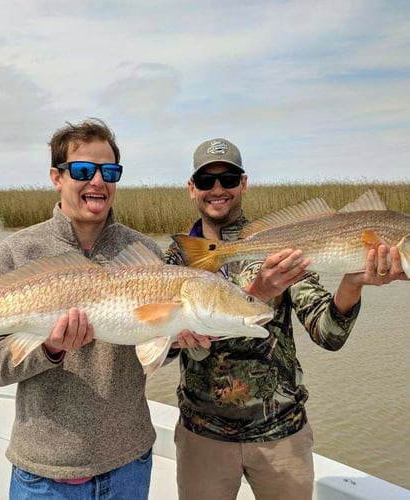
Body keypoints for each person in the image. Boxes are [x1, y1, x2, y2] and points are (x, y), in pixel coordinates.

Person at [165, 138, 408, 500]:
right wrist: (257, 292)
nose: (218, 189)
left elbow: (328, 334)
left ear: (243, 184)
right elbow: (159, 347)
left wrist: (353, 281)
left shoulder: (283, 245)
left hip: (281, 433)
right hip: (203, 435)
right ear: (192, 189)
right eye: (206, 181)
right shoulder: (178, 256)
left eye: (229, 179)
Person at [0, 118, 163, 499]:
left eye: (109, 171)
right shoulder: (16, 253)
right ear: (56, 177)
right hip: (43, 474)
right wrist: (49, 350)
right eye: (82, 169)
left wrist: (180, 338)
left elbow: (154, 347)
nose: (97, 181)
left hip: (128, 462)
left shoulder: (146, 255)